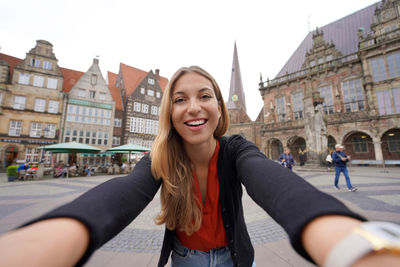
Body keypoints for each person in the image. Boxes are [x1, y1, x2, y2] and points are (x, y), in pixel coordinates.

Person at [0, 66, 399, 267]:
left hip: (234, 257)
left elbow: (276, 185)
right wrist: (42, 243)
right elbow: (117, 197)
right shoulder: (160, 156)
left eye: (204, 95)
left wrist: (354, 244)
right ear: (169, 112)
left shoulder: (237, 149)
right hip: (185, 258)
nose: (193, 107)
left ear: (220, 108)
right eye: (180, 99)